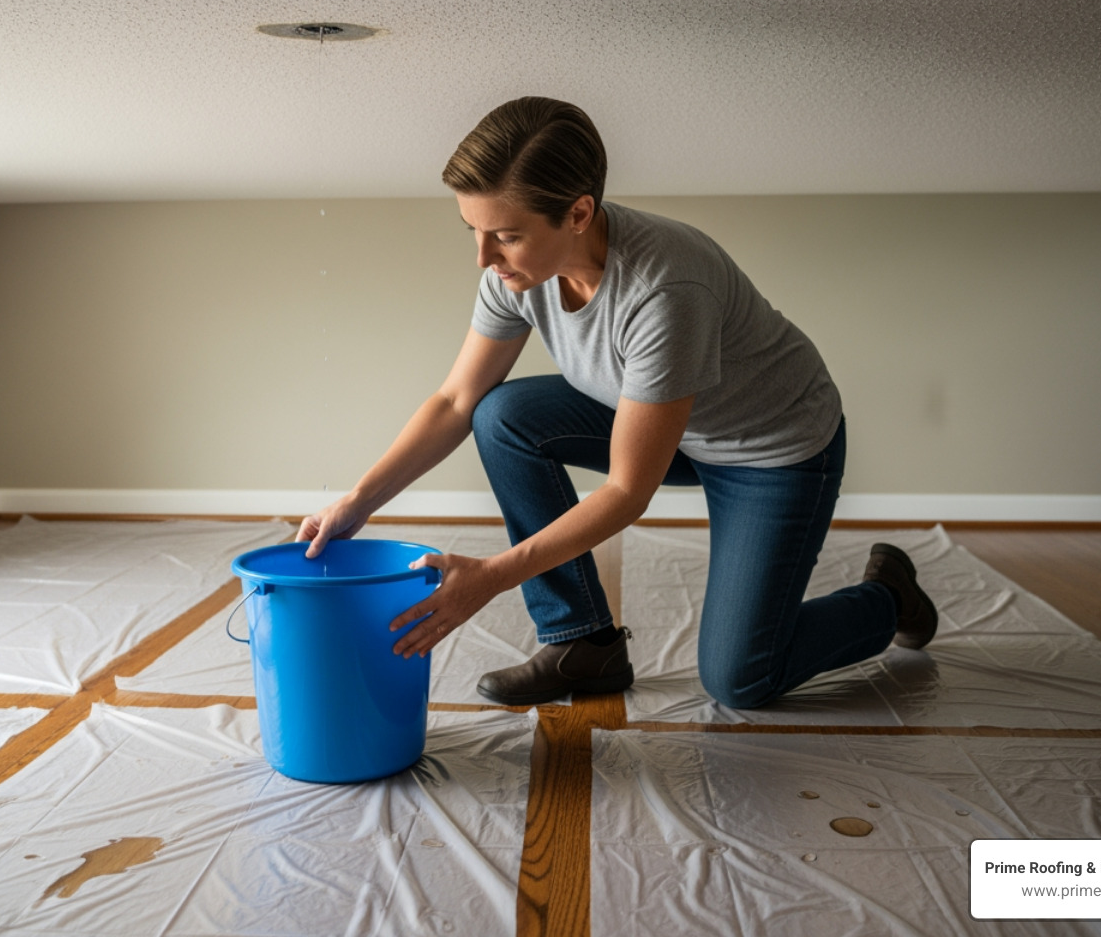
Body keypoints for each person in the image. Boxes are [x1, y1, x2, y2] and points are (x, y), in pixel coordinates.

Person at [295, 96, 937, 708]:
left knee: (742, 677)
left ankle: (888, 596)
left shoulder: (666, 289)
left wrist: (492, 576)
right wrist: (359, 500)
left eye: (506, 236)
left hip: (770, 450)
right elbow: (457, 398)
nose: (485, 257)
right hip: (666, 426)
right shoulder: (515, 276)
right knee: (502, 416)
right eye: (473, 230)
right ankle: (581, 644)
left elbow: (630, 490)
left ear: (577, 213)